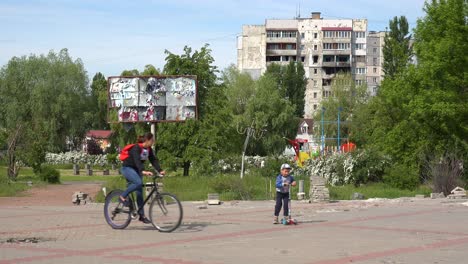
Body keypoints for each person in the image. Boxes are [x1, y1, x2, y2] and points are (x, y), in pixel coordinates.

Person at [119, 132, 165, 224]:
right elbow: (137, 161)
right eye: (152, 140)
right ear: (147, 140)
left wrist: (160, 170)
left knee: (139, 192)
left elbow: (153, 160)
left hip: (136, 170)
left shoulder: (148, 149)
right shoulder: (136, 148)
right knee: (138, 183)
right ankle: (122, 196)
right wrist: (143, 170)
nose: (153, 142)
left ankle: (142, 215)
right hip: (127, 168)